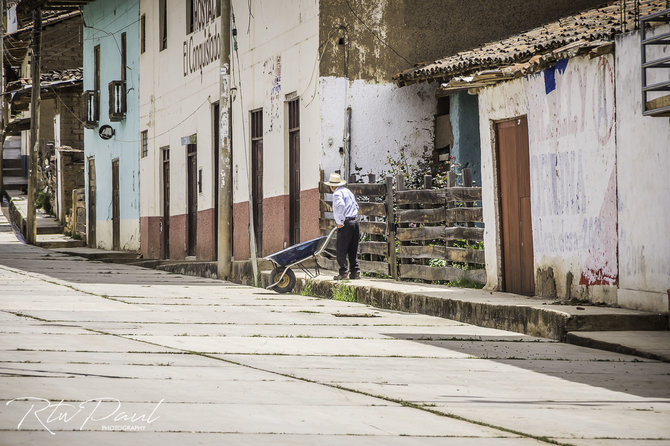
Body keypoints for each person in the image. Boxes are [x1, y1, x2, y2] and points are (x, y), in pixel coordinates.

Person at [324, 172, 360, 280]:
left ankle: (344, 272)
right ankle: (355, 271)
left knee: (341, 248)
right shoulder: (348, 191)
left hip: (346, 222)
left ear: (332, 186)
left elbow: (340, 206)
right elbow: (356, 205)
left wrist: (339, 222)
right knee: (353, 248)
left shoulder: (337, 194)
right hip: (355, 221)